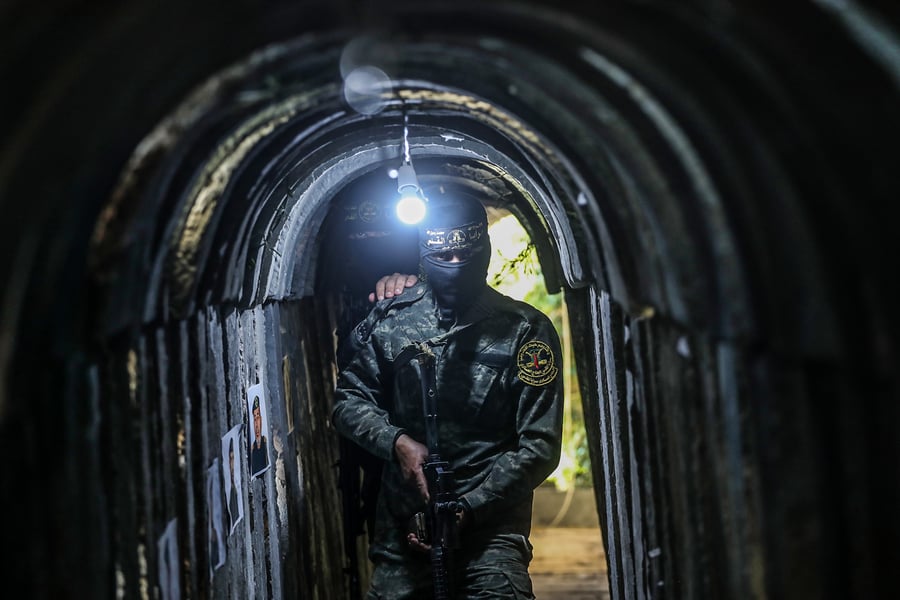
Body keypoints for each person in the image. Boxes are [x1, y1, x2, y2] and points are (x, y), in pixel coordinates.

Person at [331, 193, 563, 598]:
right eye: (444, 256)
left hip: (491, 537)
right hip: (405, 531)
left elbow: (540, 445)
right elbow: (348, 401)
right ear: (425, 253)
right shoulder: (392, 319)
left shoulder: (524, 330)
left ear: (485, 251)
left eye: (466, 255)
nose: (455, 266)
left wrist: (469, 508)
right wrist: (398, 443)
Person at [250, 397, 269, 475]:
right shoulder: (252, 449)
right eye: (254, 419)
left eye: (258, 418)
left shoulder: (266, 442)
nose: (256, 425)